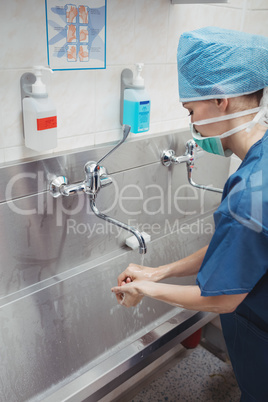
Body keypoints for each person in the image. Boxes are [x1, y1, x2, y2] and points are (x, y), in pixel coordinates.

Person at [111, 27, 268, 401]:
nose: (193, 126)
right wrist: (159, 270)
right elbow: (236, 246)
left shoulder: (250, 191)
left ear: (221, 101)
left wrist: (145, 288)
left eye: (191, 110)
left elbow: (223, 299)